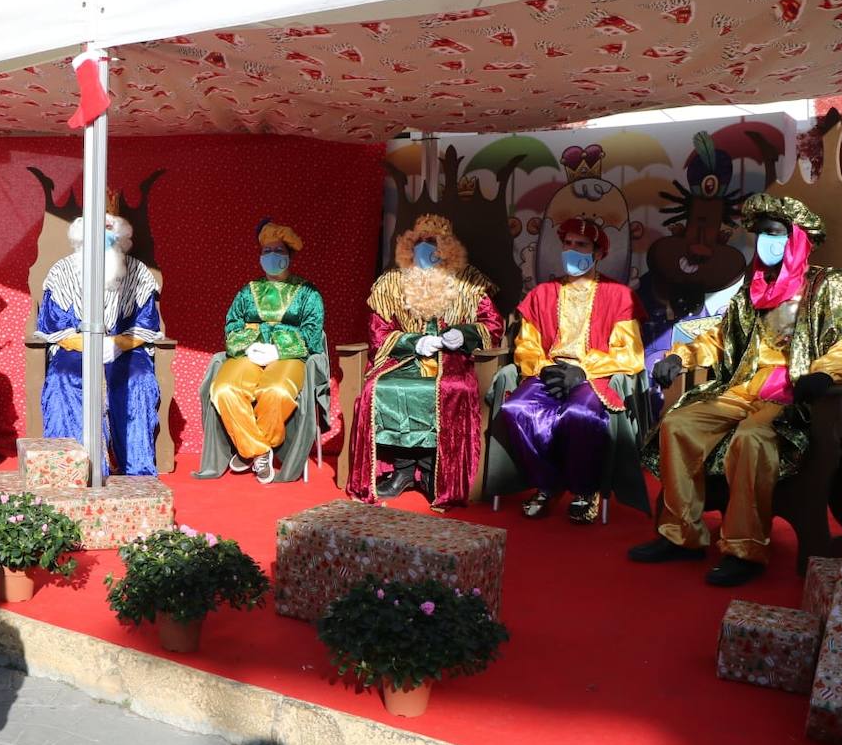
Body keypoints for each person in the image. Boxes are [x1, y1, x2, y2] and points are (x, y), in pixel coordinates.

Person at [630, 194, 842, 586]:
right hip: (743, 386)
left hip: (795, 394)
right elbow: (719, 338)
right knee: (678, 423)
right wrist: (682, 357)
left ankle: (745, 549)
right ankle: (681, 535)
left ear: (796, 237)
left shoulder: (830, 284)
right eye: (761, 233)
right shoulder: (754, 290)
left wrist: (826, 373)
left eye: (775, 232)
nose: (766, 240)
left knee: (751, 439)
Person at [495, 217, 645, 524]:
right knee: (516, 408)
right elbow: (526, 345)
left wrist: (583, 371)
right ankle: (547, 484)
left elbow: (629, 354)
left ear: (599, 252)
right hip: (549, 370)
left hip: (592, 376)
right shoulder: (542, 294)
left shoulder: (619, 296)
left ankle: (583, 491)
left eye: (582, 245)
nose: (572, 250)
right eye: (568, 244)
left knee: (581, 415)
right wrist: (546, 368)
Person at [347, 215, 503, 506]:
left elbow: (492, 325)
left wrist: (465, 334)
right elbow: (378, 331)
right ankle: (404, 470)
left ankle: (435, 471)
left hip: (454, 362)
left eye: (435, 244)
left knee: (453, 390)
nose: (427, 250)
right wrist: (412, 341)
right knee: (382, 390)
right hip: (403, 361)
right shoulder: (390, 284)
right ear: (409, 246)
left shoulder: (468, 283)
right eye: (421, 244)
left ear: (448, 248)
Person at [36, 196, 163, 475]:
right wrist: (88, 344)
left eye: (109, 230)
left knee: (139, 379)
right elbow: (54, 324)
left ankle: (134, 466)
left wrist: (118, 343)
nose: (104, 237)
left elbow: (147, 324)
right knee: (64, 379)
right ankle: (75, 468)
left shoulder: (138, 272)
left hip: (126, 349)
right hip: (76, 347)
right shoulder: (61, 271)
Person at [210, 219, 325, 483]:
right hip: (249, 352)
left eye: (278, 251)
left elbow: (312, 332)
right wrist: (251, 344)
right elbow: (232, 325)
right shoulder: (248, 290)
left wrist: (277, 348)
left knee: (276, 392)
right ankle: (259, 451)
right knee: (224, 389)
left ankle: (249, 449)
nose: (271, 257)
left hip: (288, 356)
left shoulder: (308, 292)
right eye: (266, 252)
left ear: (289, 256)